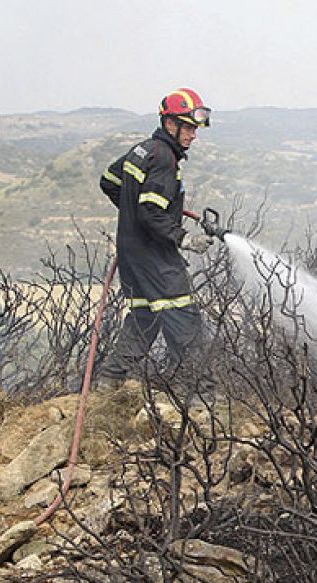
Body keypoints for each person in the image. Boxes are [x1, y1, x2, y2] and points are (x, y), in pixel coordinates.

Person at [97, 88, 215, 389]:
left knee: (144, 315)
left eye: (194, 128)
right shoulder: (164, 159)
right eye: (188, 127)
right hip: (155, 257)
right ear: (170, 124)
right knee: (183, 316)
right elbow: (151, 212)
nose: (193, 135)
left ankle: (110, 381)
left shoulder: (143, 149)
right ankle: (200, 395)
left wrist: (130, 214)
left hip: (132, 255)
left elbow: (109, 181)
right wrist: (183, 238)